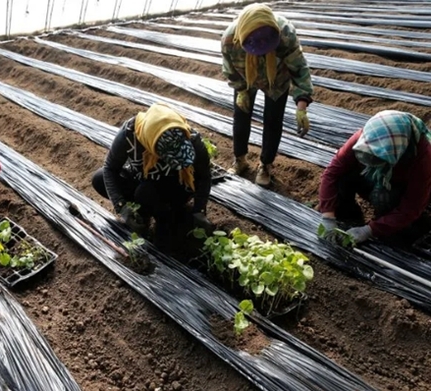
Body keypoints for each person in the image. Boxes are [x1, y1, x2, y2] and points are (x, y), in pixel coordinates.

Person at [91, 103, 214, 249]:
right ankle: (145, 213)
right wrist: (121, 207)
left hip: (176, 185)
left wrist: (199, 210)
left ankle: (168, 216)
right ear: (152, 144)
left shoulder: (192, 138)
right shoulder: (129, 134)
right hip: (143, 177)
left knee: (145, 193)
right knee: (99, 179)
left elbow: (204, 175)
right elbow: (109, 169)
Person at [221, 3, 314, 186]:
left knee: (273, 119)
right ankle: (240, 159)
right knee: (241, 114)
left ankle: (265, 164)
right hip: (245, 76)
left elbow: (299, 68)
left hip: (277, 78)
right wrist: (241, 90)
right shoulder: (230, 39)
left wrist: (302, 104)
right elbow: (230, 68)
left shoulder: (285, 34)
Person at [318, 110, 431, 245]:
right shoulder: (363, 138)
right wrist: (328, 217)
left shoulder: (423, 158)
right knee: (343, 179)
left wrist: (370, 230)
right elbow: (331, 174)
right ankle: (349, 219)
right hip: (376, 180)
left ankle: (405, 224)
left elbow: (411, 207)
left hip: (402, 189)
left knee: (391, 210)